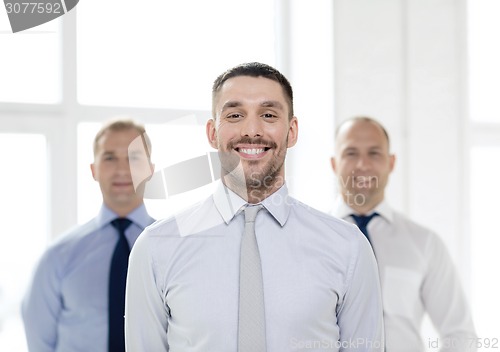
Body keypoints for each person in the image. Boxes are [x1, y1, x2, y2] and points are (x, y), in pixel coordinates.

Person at [125, 62, 384, 351]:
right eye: (235, 115)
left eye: (268, 114)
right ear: (212, 133)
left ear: (292, 130)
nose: (251, 130)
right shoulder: (156, 248)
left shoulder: (348, 248)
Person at [330, 116, 477, 352]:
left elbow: (460, 333)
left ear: (391, 162)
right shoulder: (311, 240)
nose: (363, 164)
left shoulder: (424, 243)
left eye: (374, 153)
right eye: (351, 153)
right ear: (334, 164)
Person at [22, 119, 156, 352]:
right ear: (93, 170)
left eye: (134, 157)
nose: (122, 170)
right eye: (110, 158)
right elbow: (39, 342)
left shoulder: (174, 250)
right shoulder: (57, 257)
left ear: (150, 169)